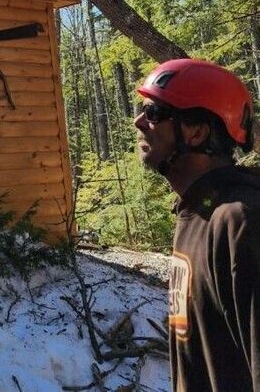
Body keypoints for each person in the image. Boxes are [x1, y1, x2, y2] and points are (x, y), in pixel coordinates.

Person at [134, 58, 259, 392]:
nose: (139, 121)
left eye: (155, 112)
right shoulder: (196, 213)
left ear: (197, 132)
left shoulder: (240, 222)